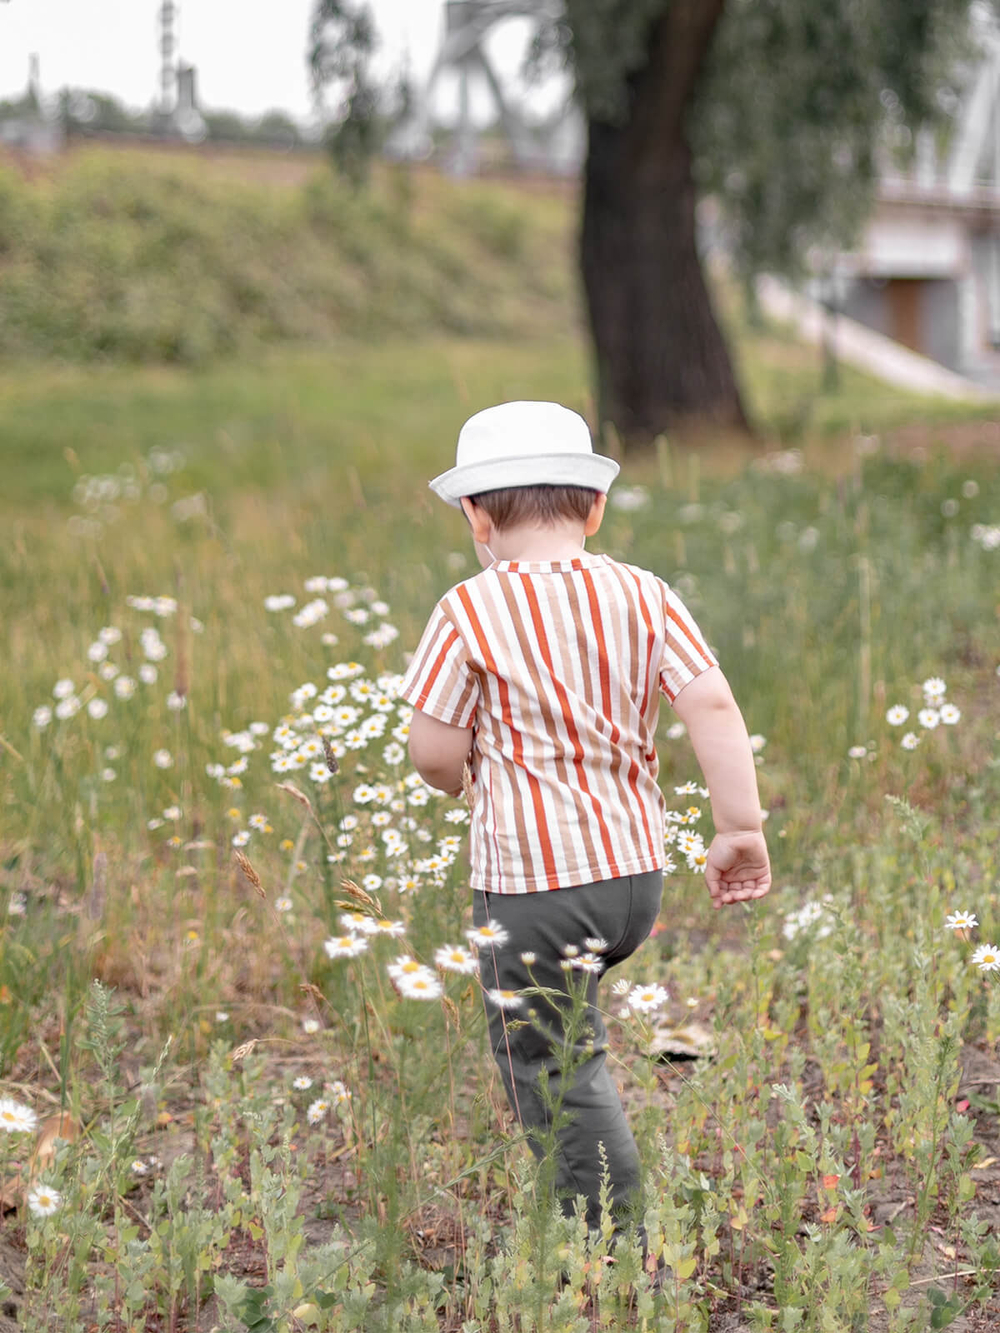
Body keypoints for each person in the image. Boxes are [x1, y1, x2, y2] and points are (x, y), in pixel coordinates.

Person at [398, 400, 770, 1258]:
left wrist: (458, 778)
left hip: (534, 883)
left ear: (476, 516)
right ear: (594, 507)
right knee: (575, 1031)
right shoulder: (644, 593)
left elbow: (431, 749)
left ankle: (604, 1238)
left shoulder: (467, 611)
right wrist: (738, 827)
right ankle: (597, 1211)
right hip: (631, 877)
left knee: (555, 1058)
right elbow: (710, 700)